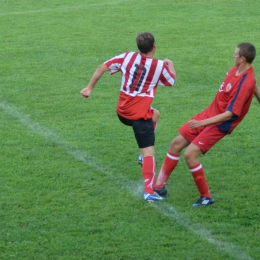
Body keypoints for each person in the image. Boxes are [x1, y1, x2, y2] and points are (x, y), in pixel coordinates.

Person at [153, 42, 259, 206]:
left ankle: (206, 197)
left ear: (242, 58)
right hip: (210, 114)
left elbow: (229, 114)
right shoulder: (237, 70)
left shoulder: (246, 82)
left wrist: (201, 123)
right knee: (176, 144)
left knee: (190, 155)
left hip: (220, 123)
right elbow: (255, 86)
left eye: (235, 54)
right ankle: (159, 187)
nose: (233, 55)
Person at [80, 32, 176, 202]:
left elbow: (102, 67)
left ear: (139, 47)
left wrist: (89, 88)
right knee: (149, 153)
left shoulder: (127, 57)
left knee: (156, 115)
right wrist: (170, 64)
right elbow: (171, 81)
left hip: (122, 113)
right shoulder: (159, 66)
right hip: (139, 117)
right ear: (154, 46)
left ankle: (142, 156)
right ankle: (149, 191)